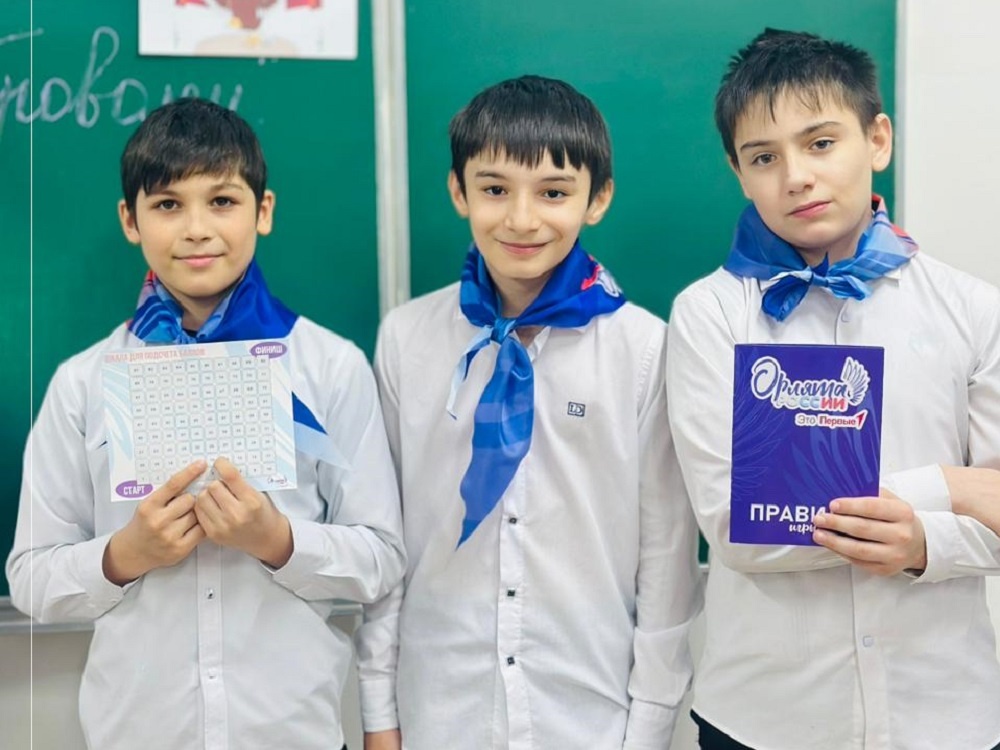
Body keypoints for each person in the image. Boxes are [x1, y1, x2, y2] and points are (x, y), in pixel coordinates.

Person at [5, 97, 405, 750]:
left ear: (263, 211)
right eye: (168, 204)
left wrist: (278, 540)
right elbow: (30, 577)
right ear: (130, 220)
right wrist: (125, 556)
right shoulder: (83, 383)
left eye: (222, 201)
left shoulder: (330, 367)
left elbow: (382, 557)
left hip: (291, 734)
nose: (196, 229)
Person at [666, 28, 1000, 750]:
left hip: (945, 715)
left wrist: (925, 544)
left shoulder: (974, 309)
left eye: (820, 143)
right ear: (738, 172)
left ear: (877, 139)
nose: (796, 176)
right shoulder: (710, 314)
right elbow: (739, 527)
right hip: (765, 720)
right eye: (764, 157)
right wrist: (946, 489)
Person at [355, 75, 702, 750]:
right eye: (494, 189)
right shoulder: (406, 338)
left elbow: (667, 556)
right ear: (458, 191)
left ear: (597, 199)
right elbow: (388, 537)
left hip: (589, 714)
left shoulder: (644, 349)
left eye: (553, 192)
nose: (521, 219)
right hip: (441, 709)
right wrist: (378, 713)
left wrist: (649, 729)